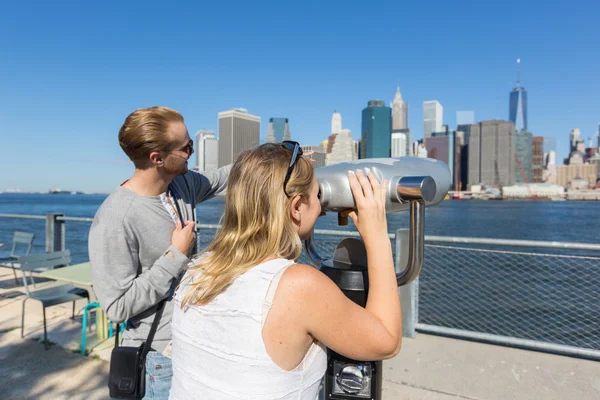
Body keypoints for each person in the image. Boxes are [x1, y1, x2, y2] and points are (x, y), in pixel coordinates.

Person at [169, 142, 402, 399]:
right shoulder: (298, 285)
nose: (321, 208)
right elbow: (387, 342)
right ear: (296, 207)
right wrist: (377, 234)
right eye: (317, 197)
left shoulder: (198, 268)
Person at [89, 106, 230, 399]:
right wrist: (175, 256)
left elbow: (221, 178)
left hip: (192, 341)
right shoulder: (116, 218)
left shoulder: (180, 185)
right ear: (157, 158)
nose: (192, 152)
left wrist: (272, 156)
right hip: (158, 357)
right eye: (187, 147)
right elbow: (116, 306)